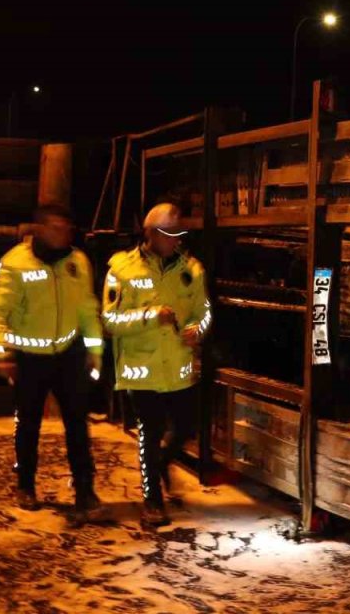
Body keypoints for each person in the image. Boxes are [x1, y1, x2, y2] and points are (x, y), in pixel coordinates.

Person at [0, 204, 107, 526]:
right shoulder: (14, 264)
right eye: (55, 227)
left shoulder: (78, 262)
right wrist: (0, 354)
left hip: (69, 355)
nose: (64, 233)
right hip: (30, 359)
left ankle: (85, 491)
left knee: (78, 424)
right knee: (29, 424)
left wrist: (94, 349)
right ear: (38, 229)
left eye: (67, 227)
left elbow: (88, 308)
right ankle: (25, 486)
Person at [102, 203, 210, 527]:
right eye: (168, 235)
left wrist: (198, 331)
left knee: (186, 427)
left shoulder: (192, 270)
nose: (175, 241)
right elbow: (110, 320)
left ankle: (161, 462)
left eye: (179, 235)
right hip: (142, 368)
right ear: (149, 233)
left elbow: (202, 311)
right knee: (150, 431)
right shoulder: (121, 269)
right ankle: (152, 502)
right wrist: (150, 316)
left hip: (178, 366)